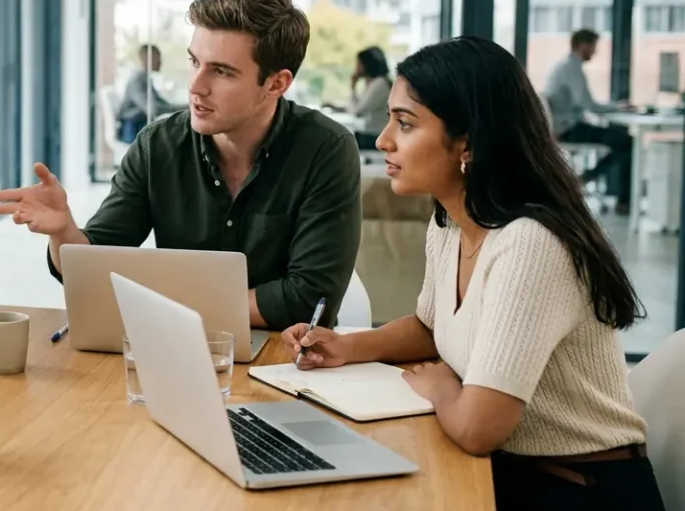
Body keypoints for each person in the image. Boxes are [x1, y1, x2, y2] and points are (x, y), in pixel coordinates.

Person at [283, 36, 664, 510]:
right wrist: (345, 346)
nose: (383, 140)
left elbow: (478, 429)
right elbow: (430, 326)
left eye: (405, 123)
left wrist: (444, 388)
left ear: (468, 142)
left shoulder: (529, 243)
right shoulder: (450, 222)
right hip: (511, 470)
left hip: (576, 488)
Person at [0, 0, 361, 329]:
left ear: (276, 83)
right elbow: (92, 270)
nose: (195, 86)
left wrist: (170, 306)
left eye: (221, 71)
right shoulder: (158, 145)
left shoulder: (326, 150)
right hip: (180, 346)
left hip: (288, 360)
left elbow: (310, 301)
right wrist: (63, 232)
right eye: (194, 62)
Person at [543, 28, 632, 213]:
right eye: (593, 46)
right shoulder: (571, 68)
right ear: (583, 45)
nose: (595, 51)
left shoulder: (566, 66)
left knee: (623, 139)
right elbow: (588, 105)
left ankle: (587, 180)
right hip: (569, 130)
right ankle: (587, 181)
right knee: (627, 141)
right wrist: (618, 107)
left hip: (566, 127)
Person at [115, 44, 183, 143]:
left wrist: (183, 108)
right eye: (158, 57)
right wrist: (182, 109)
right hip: (132, 128)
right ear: (148, 58)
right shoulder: (137, 80)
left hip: (139, 125)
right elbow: (153, 109)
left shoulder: (145, 78)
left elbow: (160, 103)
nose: (161, 62)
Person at [348, 46, 392, 150]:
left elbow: (356, 111)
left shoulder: (379, 84)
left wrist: (353, 87)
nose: (356, 67)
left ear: (367, 64)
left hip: (374, 136)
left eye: (359, 63)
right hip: (370, 135)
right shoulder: (373, 83)